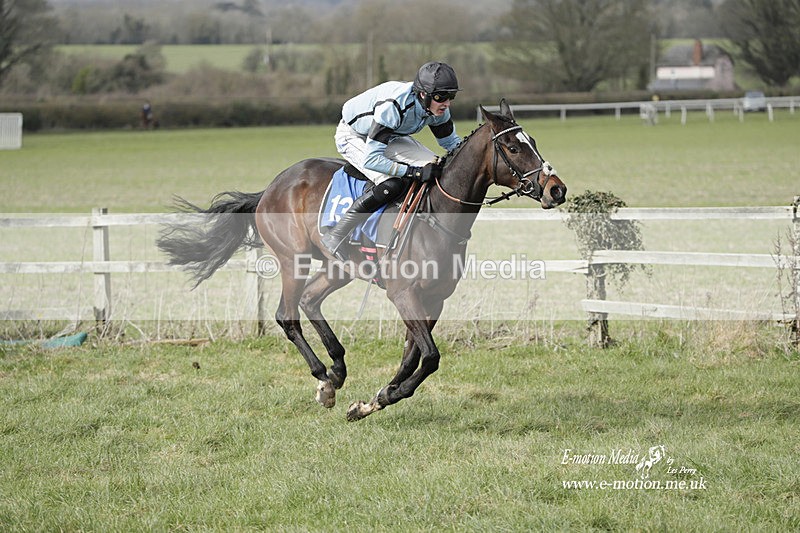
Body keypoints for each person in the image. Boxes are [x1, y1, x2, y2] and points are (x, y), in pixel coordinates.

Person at [321, 61, 462, 261]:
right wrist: (414, 172)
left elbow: (451, 144)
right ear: (423, 94)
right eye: (441, 97)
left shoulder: (438, 109)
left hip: (390, 136)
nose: (447, 103)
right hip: (354, 136)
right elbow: (372, 159)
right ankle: (336, 234)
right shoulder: (395, 106)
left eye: (451, 96)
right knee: (391, 182)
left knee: (436, 164)